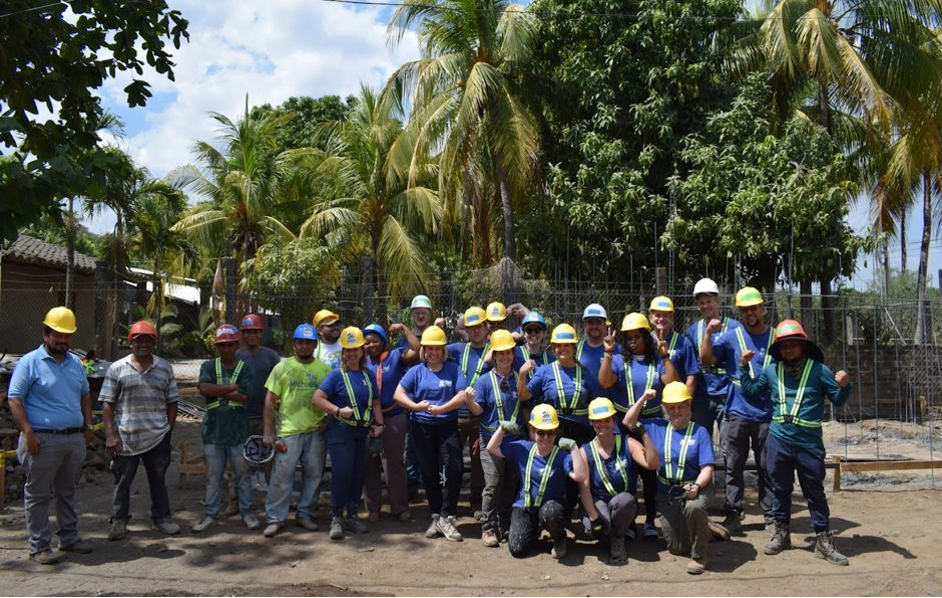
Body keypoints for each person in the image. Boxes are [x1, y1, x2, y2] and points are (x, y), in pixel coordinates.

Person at [739, 319, 852, 566]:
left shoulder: (819, 370)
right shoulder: (771, 370)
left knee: (814, 492)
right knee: (780, 488)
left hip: (809, 444)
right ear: (778, 349)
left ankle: (823, 540)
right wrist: (744, 367)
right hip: (778, 440)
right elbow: (752, 390)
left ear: (802, 346)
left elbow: (838, 399)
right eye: (783, 346)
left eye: (792, 344)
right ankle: (782, 534)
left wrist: (844, 386)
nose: (788, 349)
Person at [8, 307, 95, 564]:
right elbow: (15, 399)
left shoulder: (75, 364)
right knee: (38, 495)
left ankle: (68, 539)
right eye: (58, 335)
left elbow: (85, 394)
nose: (63, 340)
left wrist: (88, 426)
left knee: (67, 492)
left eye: (67, 336)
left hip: (73, 439)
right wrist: (28, 432)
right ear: (46, 335)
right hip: (42, 440)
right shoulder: (30, 362)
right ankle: (39, 547)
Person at [698, 287, 775, 535]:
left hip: (766, 414)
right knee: (733, 466)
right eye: (745, 310)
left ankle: (771, 515)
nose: (750, 313)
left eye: (754, 308)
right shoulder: (732, 336)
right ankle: (733, 512)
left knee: (766, 467)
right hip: (737, 411)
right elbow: (707, 360)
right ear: (740, 312)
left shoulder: (775, 338)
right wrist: (708, 334)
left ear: (762, 309)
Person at [625, 382, 723, 575]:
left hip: (695, 488)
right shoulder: (657, 427)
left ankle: (700, 556)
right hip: (667, 493)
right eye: (671, 407)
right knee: (677, 549)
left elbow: (707, 468)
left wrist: (697, 486)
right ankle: (705, 527)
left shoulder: (700, 432)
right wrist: (643, 399)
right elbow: (628, 422)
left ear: (688, 407)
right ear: (666, 409)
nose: (676, 411)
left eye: (680, 406)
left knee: (694, 507)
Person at [599, 312, 678, 541]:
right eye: (629, 337)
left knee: (650, 474)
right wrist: (608, 353)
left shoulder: (656, 360)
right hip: (623, 423)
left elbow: (672, 383)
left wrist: (665, 356)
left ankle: (651, 521)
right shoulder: (618, 359)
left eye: (637, 336)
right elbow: (604, 381)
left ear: (645, 336)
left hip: (651, 423)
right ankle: (630, 523)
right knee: (627, 473)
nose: (633, 341)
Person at [101, 321, 181, 540]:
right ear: (130, 343)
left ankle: (162, 518)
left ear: (154, 344)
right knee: (122, 481)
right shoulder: (117, 368)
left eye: (148, 340)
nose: (143, 344)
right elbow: (107, 404)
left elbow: (172, 401)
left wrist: (168, 430)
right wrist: (110, 435)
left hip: (157, 436)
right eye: (138, 341)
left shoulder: (164, 367)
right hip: (126, 437)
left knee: (158, 479)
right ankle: (118, 521)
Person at [394, 326, 469, 542]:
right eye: (429, 348)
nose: (433, 352)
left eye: (437, 348)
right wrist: (415, 406)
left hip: (447, 426)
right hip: (421, 427)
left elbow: (462, 395)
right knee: (428, 472)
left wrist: (442, 409)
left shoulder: (453, 369)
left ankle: (447, 515)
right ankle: (436, 516)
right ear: (424, 350)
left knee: (455, 468)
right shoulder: (416, 371)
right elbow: (398, 394)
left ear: (443, 350)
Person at [486, 405, 587, 559]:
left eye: (550, 432)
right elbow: (492, 448)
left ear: (556, 433)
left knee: (550, 513)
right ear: (532, 432)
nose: (546, 437)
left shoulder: (562, 456)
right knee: (517, 549)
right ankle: (532, 530)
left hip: (551, 508)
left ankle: (560, 538)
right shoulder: (523, 448)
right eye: (541, 432)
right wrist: (502, 429)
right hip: (525, 505)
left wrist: (574, 448)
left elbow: (580, 476)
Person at [313, 327, 384, 540]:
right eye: (348, 350)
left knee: (357, 474)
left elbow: (375, 402)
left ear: (362, 351)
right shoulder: (336, 375)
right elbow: (317, 399)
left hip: (361, 433)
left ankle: (352, 516)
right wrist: (337, 410)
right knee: (342, 474)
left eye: (355, 349)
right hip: (341, 432)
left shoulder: (367, 375)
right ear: (343, 352)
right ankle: (336, 517)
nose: (352, 353)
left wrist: (380, 424)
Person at [261, 323, 331, 537]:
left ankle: (305, 514)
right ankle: (275, 518)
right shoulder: (282, 368)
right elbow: (270, 400)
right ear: (294, 345)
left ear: (315, 345)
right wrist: (268, 432)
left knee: (314, 475)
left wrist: (327, 423)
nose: (304, 347)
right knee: (281, 477)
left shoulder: (324, 370)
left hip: (315, 431)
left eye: (309, 343)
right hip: (288, 432)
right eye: (300, 343)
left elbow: (332, 399)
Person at [192, 324, 257, 533]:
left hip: (238, 430)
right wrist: (230, 387)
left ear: (236, 345)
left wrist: (216, 391)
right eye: (222, 345)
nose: (226, 349)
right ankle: (210, 514)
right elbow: (204, 388)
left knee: (243, 474)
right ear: (217, 347)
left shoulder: (245, 368)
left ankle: (247, 512)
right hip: (213, 430)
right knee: (213, 475)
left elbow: (244, 396)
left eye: (230, 345)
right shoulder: (209, 366)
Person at [463, 330, 524, 547]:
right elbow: (478, 411)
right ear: (494, 356)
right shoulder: (484, 381)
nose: (504, 357)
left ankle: (504, 523)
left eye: (508, 353)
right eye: (500, 353)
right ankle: (488, 527)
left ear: (513, 354)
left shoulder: (520, 379)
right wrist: (469, 401)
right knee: (493, 484)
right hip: (490, 441)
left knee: (510, 483)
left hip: (514, 441)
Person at [580, 397, 659, 563]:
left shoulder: (628, 443)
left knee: (626, 500)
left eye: (606, 420)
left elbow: (652, 464)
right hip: (598, 501)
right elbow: (584, 489)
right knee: (596, 527)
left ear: (613, 420)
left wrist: (644, 434)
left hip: (622, 503)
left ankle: (618, 538)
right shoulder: (585, 450)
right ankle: (607, 535)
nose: (602, 425)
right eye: (598, 421)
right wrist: (594, 518)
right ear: (591, 422)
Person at [363, 323, 420, 523]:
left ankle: (399, 507)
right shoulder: (361, 362)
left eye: (375, 341)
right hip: (368, 420)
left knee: (393, 462)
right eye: (367, 342)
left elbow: (417, 350)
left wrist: (404, 328)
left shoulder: (395, 356)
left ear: (383, 342)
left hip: (393, 416)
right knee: (369, 463)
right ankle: (373, 508)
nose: (371, 345)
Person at [518, 324, 598, 447]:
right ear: (554, 348)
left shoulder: (585, 373)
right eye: (559, 345)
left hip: (581, 431)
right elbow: (523, 396)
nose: (562, 348)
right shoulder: (544, 372)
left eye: (567, 345)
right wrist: (522, 374)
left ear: (573, 348)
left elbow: (594, 402)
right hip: (552, 430)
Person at [447, 306, 490, 518]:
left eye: (479, 326)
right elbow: (427, 351)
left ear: (486, 327)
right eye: (471, 327)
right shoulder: (457, 349)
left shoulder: (495, 350)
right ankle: (450, 504)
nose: (476, 330)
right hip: (458, 415)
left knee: (478, 462)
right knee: (453, 462)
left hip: (480, 416)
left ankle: (476, 502)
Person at [689, 278, 742, 439]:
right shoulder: (694, 330)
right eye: (701, 302)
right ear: (697, 306)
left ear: (717, 302)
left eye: (709, 301)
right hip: (702, 397)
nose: (705, 306)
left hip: (727, 396)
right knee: (701, 442)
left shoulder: (734, 328)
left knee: (728, 443)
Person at [648, 296, 698, 398]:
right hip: (650, 399)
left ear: (671, 318)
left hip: (674, 402)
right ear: (650, 317)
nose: (661, 319)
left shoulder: (683, 342)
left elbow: (691, 376)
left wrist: (686, 401)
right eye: (657, 315)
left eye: (665, 315)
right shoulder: (645, 341)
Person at [577, 304, 621, 388]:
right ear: (585, 325)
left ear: (604, 325)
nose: (594, 326)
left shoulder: (617, 349)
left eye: (598, 322)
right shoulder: (576, 349)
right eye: (590, 323)